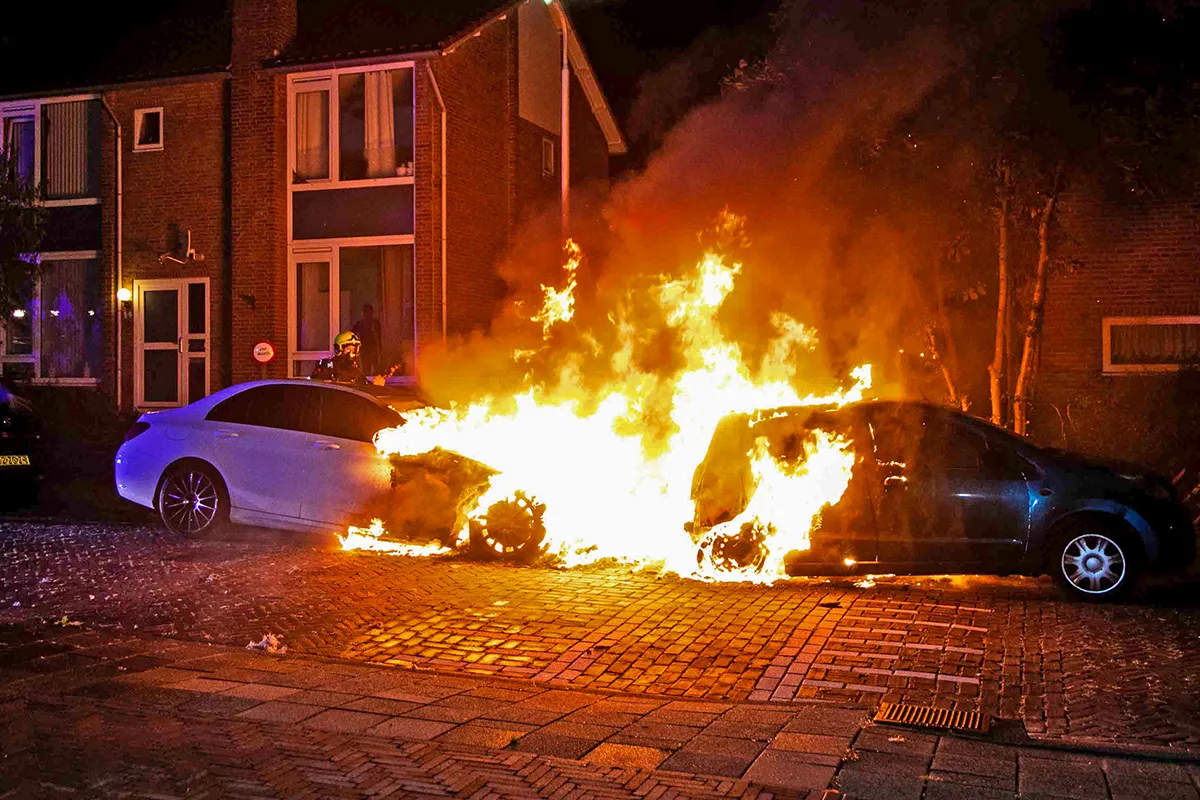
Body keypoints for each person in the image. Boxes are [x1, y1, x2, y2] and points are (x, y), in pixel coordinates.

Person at [351, 304, 382, 376]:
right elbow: (352, 333)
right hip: (365, 349)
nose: (367, 313)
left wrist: (379, 350)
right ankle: (367, 382)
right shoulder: (360, 323)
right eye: (366, 311)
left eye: (369, 311)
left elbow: (379, 337)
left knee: (376, 368)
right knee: (366, 368)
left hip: (373, 349)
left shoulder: (375, 323)